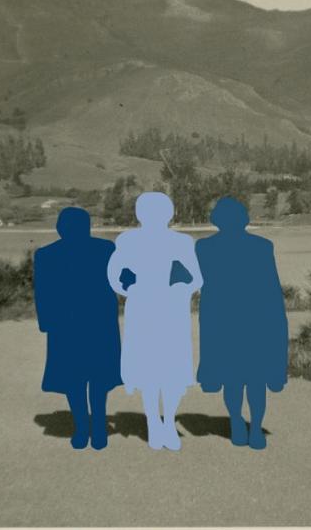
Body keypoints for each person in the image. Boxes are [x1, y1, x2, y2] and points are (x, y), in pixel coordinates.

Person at [107, 192, 202, 451]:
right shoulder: (128, 240)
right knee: (151, 367)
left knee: (170, 368)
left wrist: (181, 289)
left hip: (170, 309)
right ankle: (153, 422)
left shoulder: (182, 242)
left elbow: (196, 277)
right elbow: (114, 273)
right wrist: (130, 290)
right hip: (145, 308)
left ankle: (168, 422)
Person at [195, 196, 288, 450]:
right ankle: (255, 428)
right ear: (243, 219)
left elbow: (197, 281)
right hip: (255, 318)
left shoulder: (204, 247)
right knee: (256, 378)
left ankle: (237, 422)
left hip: (222, 319)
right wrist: (276, 323)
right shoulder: (263, 246)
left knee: (232, 377)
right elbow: (271, 289)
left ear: (217, 220)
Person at [34, 207, 122, 450]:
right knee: (98, 377)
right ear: (88, 227)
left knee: (73, 378)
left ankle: (82, 429)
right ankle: (99, 429)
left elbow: (42, 293)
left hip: (65, 325)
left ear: (60, 228)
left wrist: (46, 323)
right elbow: (121, 280)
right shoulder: (106, 249)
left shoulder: (46, 254)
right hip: (100, 323)